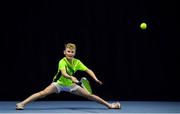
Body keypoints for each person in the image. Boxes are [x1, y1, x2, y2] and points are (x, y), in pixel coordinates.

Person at [16, 43, 120, 110]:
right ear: (64, 52)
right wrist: (71, 78)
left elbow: (88, 70)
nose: (70, 53)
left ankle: (110, 105)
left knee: (90, 95)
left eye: (72, 52)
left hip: (71, 85)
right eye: (68, 51)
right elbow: (64, 73)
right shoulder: (62, 61)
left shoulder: (77, 62)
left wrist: (95, 79)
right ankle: (21, 104)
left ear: (75, 53)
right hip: (58, 84)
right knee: (42, 93)